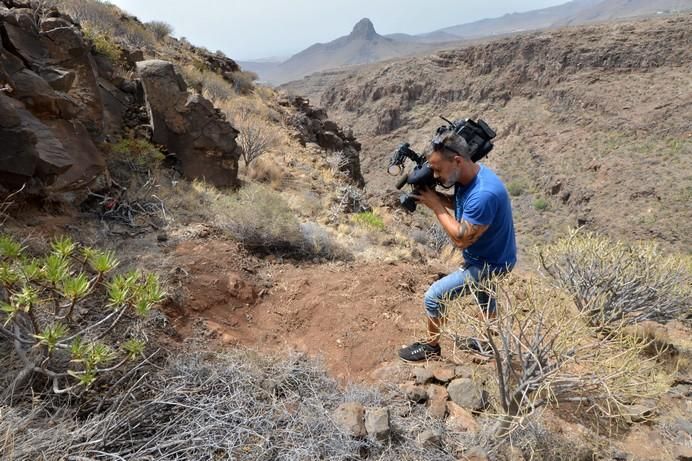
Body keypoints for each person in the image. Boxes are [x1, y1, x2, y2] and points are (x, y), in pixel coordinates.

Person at [398, 127, 517, 362]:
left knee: (434, 297)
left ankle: (431, 348)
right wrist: (437, 198)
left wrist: (436, 206)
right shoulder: (467, 178)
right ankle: (488, 343)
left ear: (457, 161)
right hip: (493, 256)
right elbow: (462, 204)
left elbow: (460, 238)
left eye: (438, 169)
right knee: (484, 294)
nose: (435, 176)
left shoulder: (484, 193)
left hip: (491, 263)